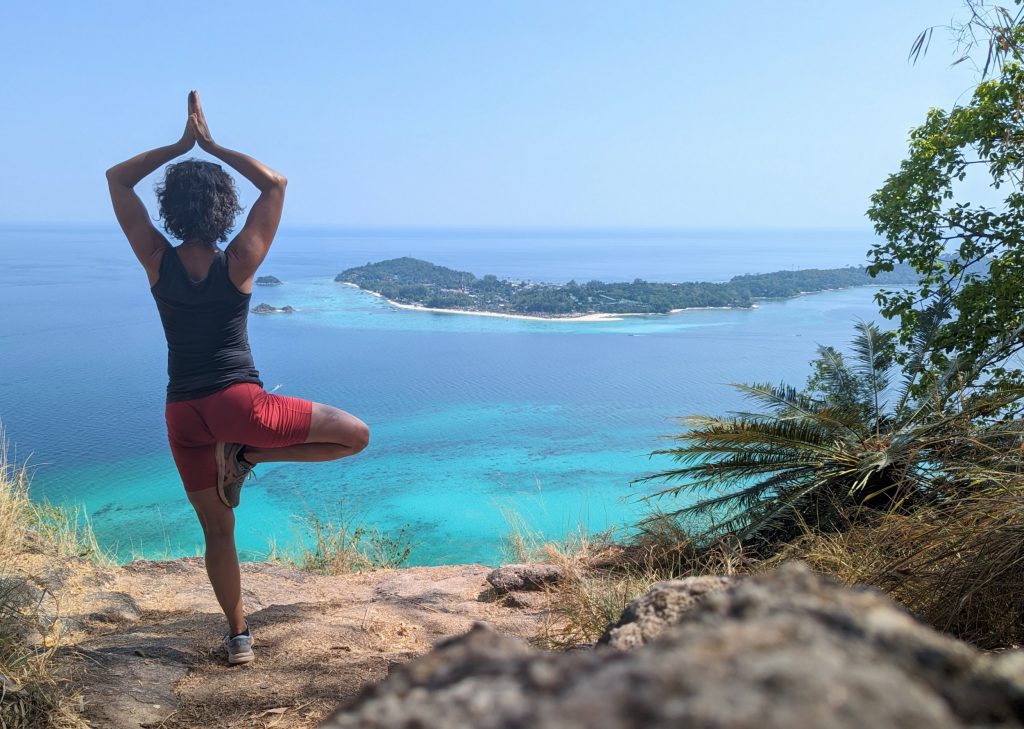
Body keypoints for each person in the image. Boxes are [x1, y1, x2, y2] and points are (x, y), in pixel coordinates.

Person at [106, 91, 370, 665]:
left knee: (217, 533)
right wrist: (215, 146)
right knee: (355, 435)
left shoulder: (156, 259)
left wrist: (179, 146)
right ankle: (248, 458)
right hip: (239, 408)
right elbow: (275, 184)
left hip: (182, 412)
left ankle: (237, 636)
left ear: (171, 209)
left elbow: (117, 180)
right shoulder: (239, 261)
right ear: (224, 209)